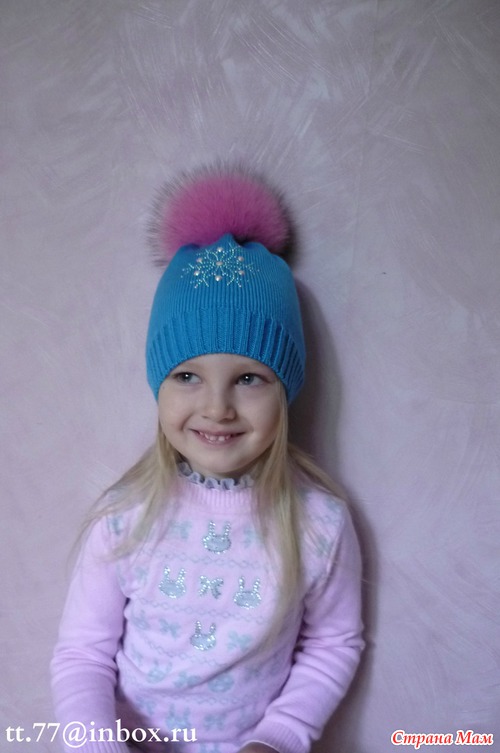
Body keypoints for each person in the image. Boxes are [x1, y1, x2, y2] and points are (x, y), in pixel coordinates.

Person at [51, 167, 364, 753]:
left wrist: (278, 739)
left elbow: (333, 644)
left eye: (248, 378)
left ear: (286, 390)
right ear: (159, 386)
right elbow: (82, 654)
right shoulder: (124, 517)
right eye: (187, 376)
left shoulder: (318, 524)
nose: (217, 408)